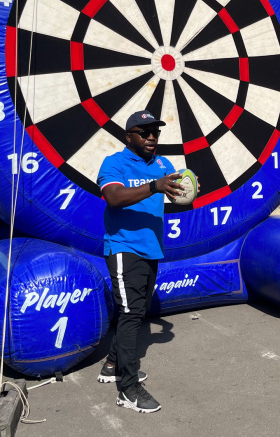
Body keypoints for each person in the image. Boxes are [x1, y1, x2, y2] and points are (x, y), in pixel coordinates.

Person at [96, 110, 183, 414]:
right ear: (128, 136)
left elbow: (180, 199)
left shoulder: (163, 165)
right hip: (123, 247)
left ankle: (112, 365)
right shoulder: (114, 163)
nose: (151, 137)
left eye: (155, 132)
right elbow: (115, 198)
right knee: (131, 314)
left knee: (137, 311)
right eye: (143, 132)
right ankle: (128, 389)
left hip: (152, 248)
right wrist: (154, 187)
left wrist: (186, 191)